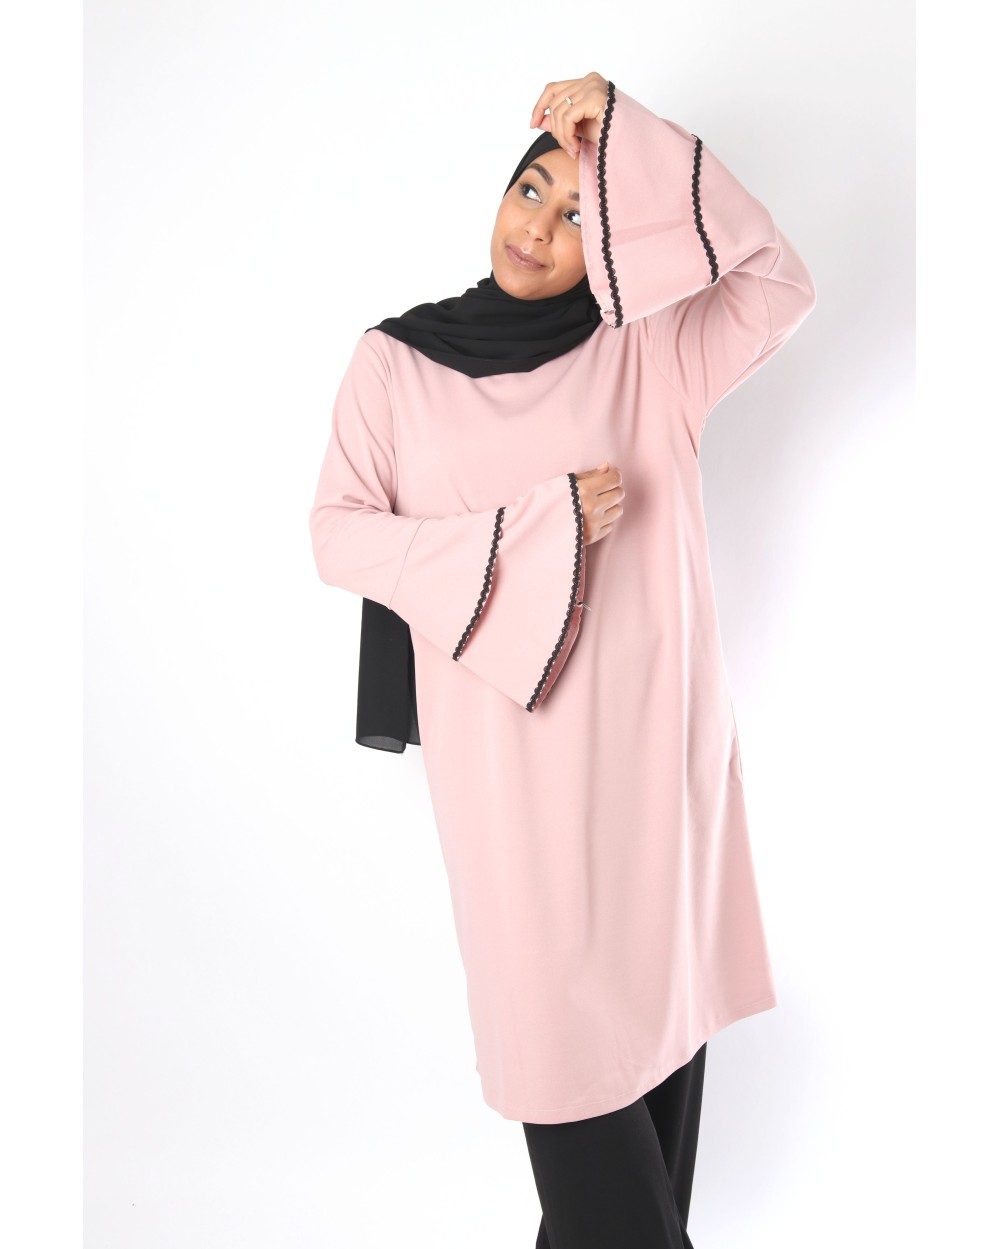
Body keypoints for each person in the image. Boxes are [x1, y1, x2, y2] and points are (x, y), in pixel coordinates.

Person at [309, 72, 817, 1246]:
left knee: (636, 1191)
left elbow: (776, 280)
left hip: (655, 793)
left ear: (620, 236)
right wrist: (536, 526)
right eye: (532, 190)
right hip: (513, 807)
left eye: (583, 210)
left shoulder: (650, 352)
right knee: (587, 1131)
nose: (539, 226)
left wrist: (627, 131)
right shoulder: (395, 366)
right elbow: (337, 533)